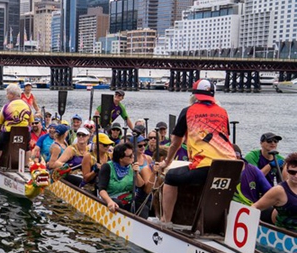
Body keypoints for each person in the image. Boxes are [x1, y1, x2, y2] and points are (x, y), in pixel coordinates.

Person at [157, 79, 235, 224]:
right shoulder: (223, 112)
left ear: (194, 96)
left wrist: (166, 163)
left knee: (171, 177)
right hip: (232, 166)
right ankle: (218, 223)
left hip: (207, 165)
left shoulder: (188, 111)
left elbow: (176, 142)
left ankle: (166, 220)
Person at [97, 143, 147, 214]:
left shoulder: (131, 167)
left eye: (133, 154)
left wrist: (136, 173)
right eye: (130, 156)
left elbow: (141, 185)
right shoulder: (107, 167)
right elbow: (101, 189)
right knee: (118, 204)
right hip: (111, 200)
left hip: (127, 200)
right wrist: (109, 201)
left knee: (143, 208)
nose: (133, 157)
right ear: (120, 158)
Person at [254, 152, 297, 230]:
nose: (296, 176)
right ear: (287, 171)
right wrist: (260, 227)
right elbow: (254, 207)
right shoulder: (279, 190)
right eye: (292, 172)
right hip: (285, 236)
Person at [0, 84, 32, 166]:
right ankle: (26, 164)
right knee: (27, 146)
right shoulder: (27, 106)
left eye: (7, 94)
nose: (7, 96)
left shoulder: (7, 106)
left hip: (8, 133)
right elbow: (31, 122)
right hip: (24, 133)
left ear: (12, 95)